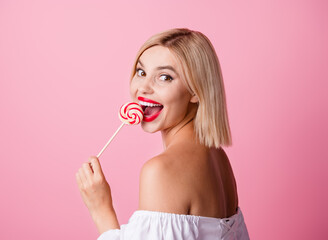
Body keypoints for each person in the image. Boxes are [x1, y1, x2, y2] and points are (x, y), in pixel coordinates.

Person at [75, 28, 250, 239]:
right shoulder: (218, 158)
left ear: (196, 90)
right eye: (141, 72)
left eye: (165, 77)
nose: (144, 88)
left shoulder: (160, 171)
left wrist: (100, 210)